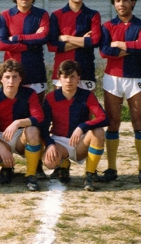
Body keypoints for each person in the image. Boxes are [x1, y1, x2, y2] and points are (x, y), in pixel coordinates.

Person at [99, 0, 141, 184]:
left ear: (133, 2)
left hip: (135, 78)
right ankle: (112, 168)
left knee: (138, 121)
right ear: (114, 4)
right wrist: (131, 48)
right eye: (118, 1)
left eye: (125, 0)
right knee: (113, 122)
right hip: (112, 78)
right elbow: (104, 51)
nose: (121, 4)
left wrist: (119, 44)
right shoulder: (107, 26)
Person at [41, 60, 108, 191]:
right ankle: (63, 165)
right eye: (65, 77)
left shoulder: (87, 95)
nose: (68, 81)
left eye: (72, 76)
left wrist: (82, 126)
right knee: (49, 162)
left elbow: (104, 118)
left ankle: (89, 175)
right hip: (60, 142)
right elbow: (43, 127)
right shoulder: (50, 97)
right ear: (59, 78)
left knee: (98, 131)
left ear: (78, 78)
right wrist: (50, 144)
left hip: (80, 142)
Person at [0, 59, 44, 191]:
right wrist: (2, 148)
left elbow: (39, 117)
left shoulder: (29, 93)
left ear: (20, 79)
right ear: (1, 79)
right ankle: (7, 167)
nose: (11, 81)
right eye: (7, 77)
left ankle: (31, 175)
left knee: (32, 130)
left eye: (15, 77)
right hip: (1, 136)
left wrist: (18, 122)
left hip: (21, 135)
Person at [0, 0, 50, 105]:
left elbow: (44, 37)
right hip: (11, 73)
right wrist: (30, 45)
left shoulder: (42, 14)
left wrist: (16, 38)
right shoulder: (5, 15)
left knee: (36, 112)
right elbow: (1, 44)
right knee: (12, 112)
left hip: (35, 70)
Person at [48, 0, 102, 90]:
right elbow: (52, 45)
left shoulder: (93, 15)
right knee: (61, 107)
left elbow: (95, 41)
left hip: (85, 70)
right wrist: (83, 41)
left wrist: (66, 38)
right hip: (62, 72)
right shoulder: (56, 15)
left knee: (85, 108)